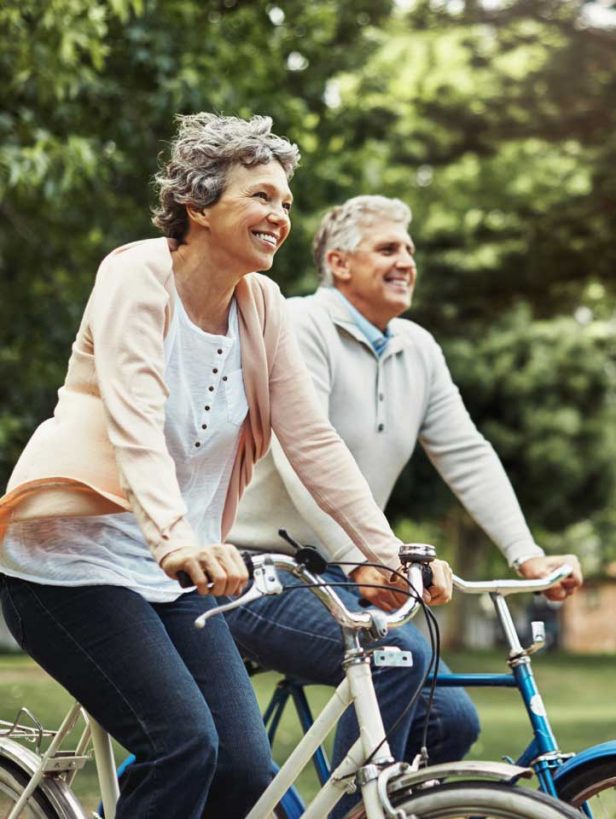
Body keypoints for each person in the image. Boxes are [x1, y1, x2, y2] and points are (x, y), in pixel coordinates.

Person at [0, 117, 450, 818]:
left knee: (245, 770)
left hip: (174, 576)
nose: (279, 216)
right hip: (70, 563)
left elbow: (313, 441)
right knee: (183, 743)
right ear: (199, 206)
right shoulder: (134, 275)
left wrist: (387, 552)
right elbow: (136, 424)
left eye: (286, 204)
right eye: (262, 197)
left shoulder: (259, 303)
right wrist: (178, 538)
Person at [227, 195, 584, 815]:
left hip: (342, 572)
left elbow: (467, 454)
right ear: (339, 263)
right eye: (389, 249)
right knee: (399, 657)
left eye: (410, 251)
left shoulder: (417, 347)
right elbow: (300, 451)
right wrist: (363, 556)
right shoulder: (299, 324)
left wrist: (526, 554)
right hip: (252, 569)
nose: (406, 262)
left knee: (449, 719)